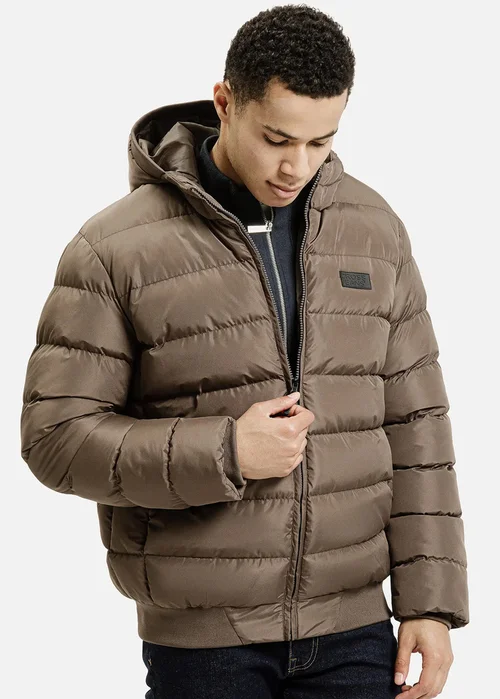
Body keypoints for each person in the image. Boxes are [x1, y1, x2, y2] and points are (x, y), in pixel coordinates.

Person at [20, 4, 469, 698]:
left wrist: (430, 603)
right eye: (276, 138)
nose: (297, 166)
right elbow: (55, 439)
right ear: (225, 103)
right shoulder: (114, 249)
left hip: (354, 629)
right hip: (205, 642)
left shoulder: (373, 230)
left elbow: (417, 426)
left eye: (321, 142)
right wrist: (225, 451)